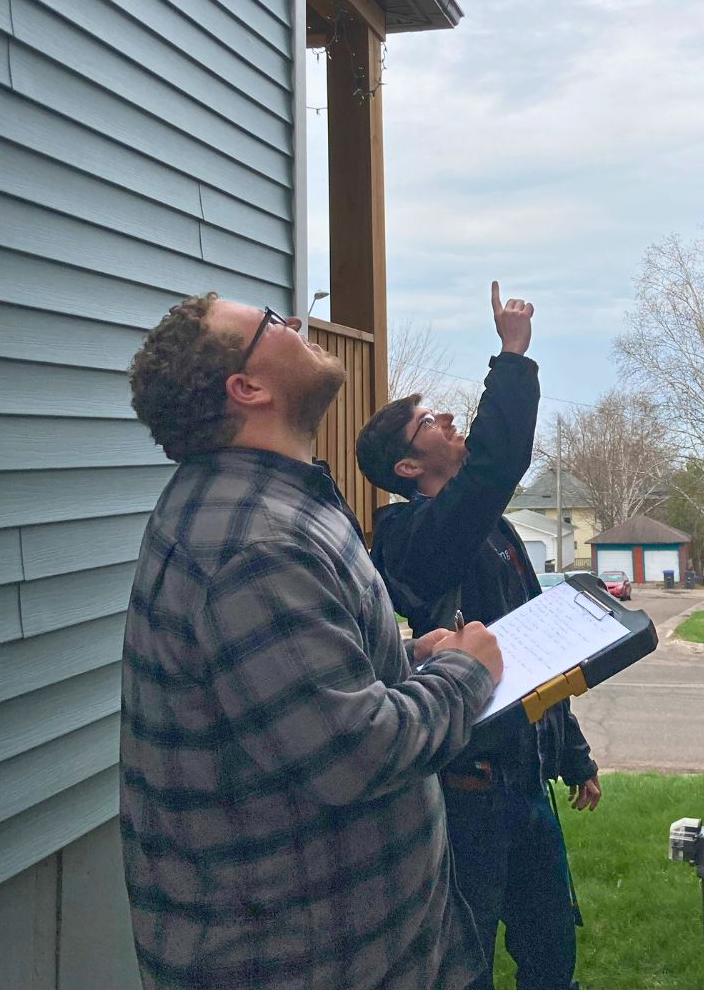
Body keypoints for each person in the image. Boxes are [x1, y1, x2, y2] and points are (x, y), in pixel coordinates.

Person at [122, 293, 503, 990]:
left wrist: (402, 662)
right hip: (310, 961)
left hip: (374, 942)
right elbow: (354, 755)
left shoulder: (269, 502)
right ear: (248, 387)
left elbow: (308, 695)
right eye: (271, 322)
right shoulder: (252, 545)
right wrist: (463, 674)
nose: (294, 323)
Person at [355, 282, 602, 990]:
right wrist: (512, 358)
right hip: (469, 795)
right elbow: (497, 464)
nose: (448, 415)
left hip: (524, 781)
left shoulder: (492, 532)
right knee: (464, 963)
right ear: (409, 467)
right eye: (429, 419)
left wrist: (573, 753)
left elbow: (535, 649)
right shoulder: (412, 536)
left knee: (551, 951)